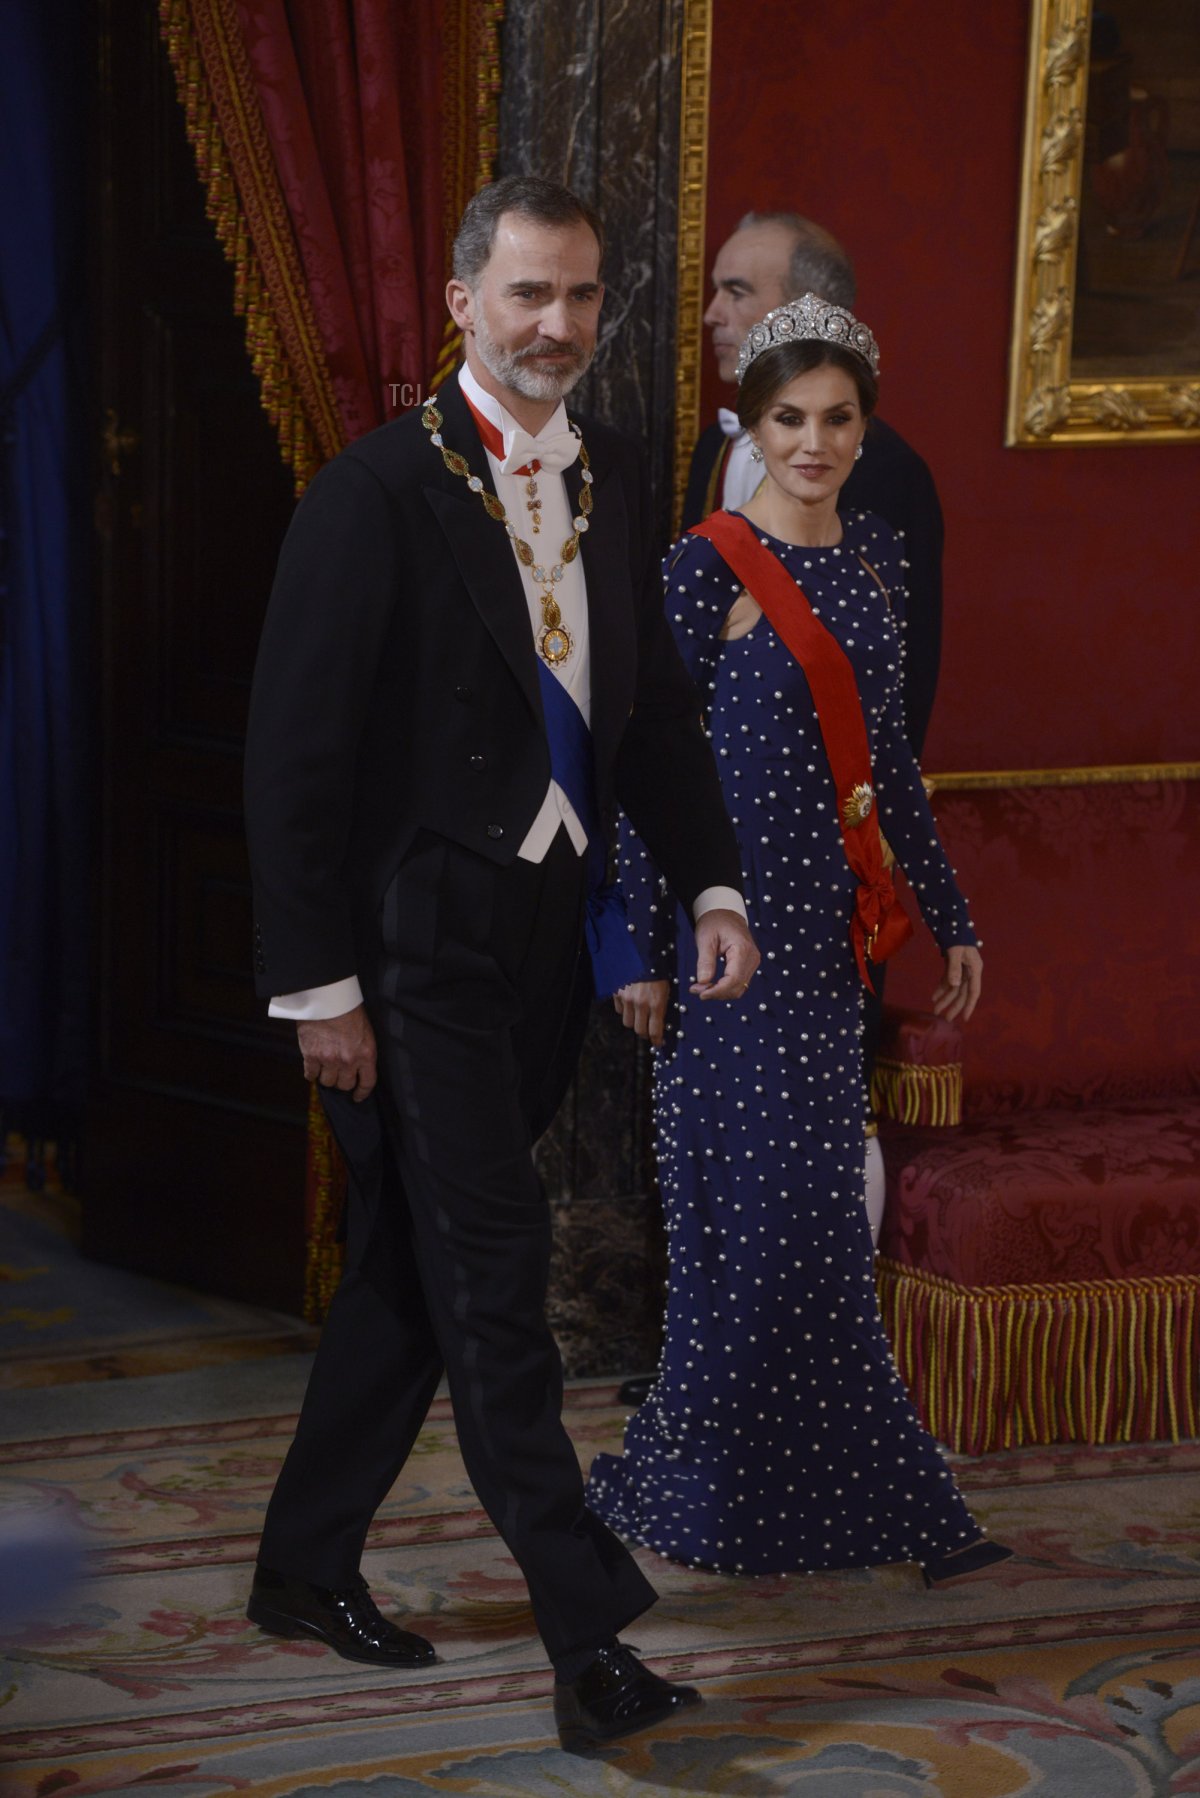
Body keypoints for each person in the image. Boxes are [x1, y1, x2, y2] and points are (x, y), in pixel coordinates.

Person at [241, 174, 760, 1748]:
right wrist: (319, 989)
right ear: (463, 300)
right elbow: (293, 762)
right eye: (529, 294)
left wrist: (716, 882)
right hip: (416, 953)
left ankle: (298, 1561)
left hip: (541, 943)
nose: (558, 326)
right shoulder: (370, 496)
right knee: (494, 1271)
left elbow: (653, 722)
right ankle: (589, 1640)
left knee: (414, 1261)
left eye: (583, 297)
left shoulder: (600, 476)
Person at [591, 294, 1010, 1587]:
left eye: (837, 420)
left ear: (865, 427)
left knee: (820, 1227)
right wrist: (635, 948)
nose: (814, 442)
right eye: (790, 419)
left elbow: (888, 764)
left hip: (831, 952)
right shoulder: (702, 565)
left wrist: (950, 916)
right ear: (752, 425)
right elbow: (638, 774)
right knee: (751, 1231)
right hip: (728, 948)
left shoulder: (876, 559)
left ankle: (873, 1499)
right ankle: (704, 1484)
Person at [682, 211, 943, 759]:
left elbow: (905, 668)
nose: (712, 315)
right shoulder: (715, 447)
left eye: (736, 291)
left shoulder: (887, 472)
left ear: (804, 309)